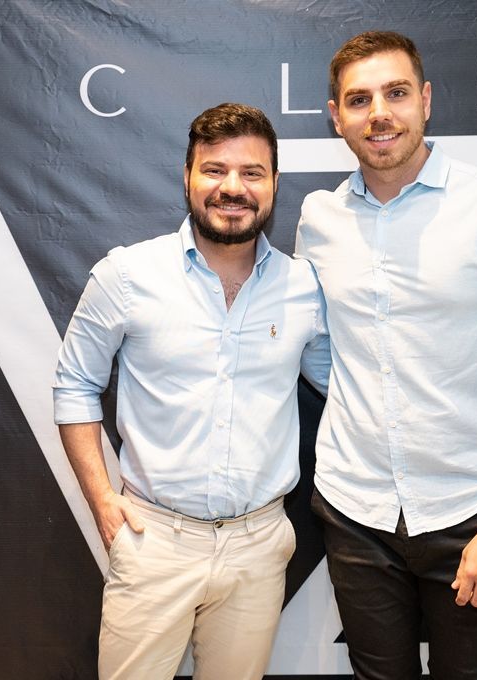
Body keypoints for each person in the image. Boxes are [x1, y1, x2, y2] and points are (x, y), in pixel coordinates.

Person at [295, 31, 477, 679]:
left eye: (395, 93)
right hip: (354, 508)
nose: (379, 113)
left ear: (425, 100)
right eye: (358, 99)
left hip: (470, 513)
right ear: (336, 117)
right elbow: (323, 352)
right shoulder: (319, 219)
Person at [54, 102, 330, 680]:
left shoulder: (304, 287)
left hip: (259, 547)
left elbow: (346, 389)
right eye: (215, 170)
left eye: (252, 173)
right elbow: (75, 384)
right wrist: (105, 503)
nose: (233, 188)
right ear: (188, 177)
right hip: (155, 542)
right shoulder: (127, 276)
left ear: (274, 184)